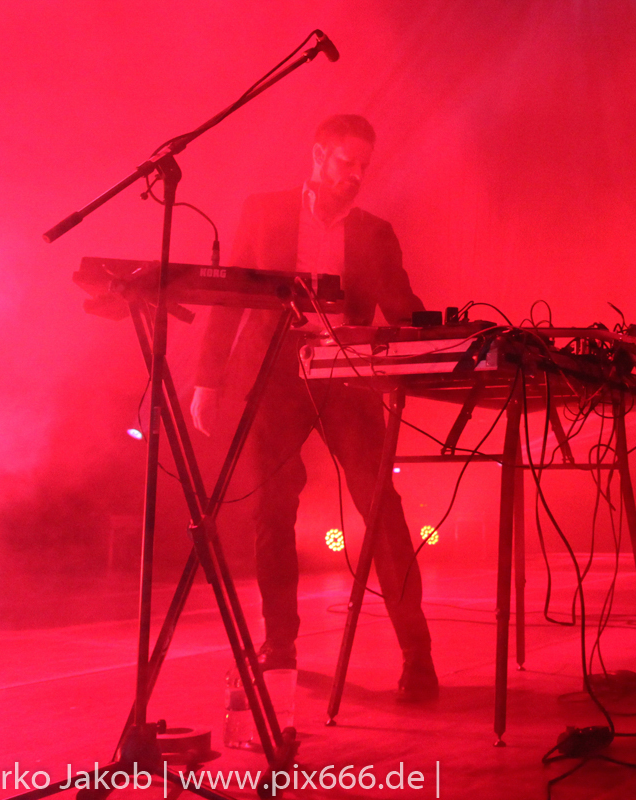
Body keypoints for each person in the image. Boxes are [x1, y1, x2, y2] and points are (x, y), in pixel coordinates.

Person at [190, 114, 438, 700]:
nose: (356, 175)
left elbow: (404, 308)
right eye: (347, 162)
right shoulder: (265, 212)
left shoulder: (374, 232)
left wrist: (455, 334)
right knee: (272, 511)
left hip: (344, 373)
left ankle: (418, 656)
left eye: (364, 167)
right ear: (318, 155)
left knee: (381, 507)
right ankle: (279, 646)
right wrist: (207, 379)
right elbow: (231, 297)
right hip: (274, 372)